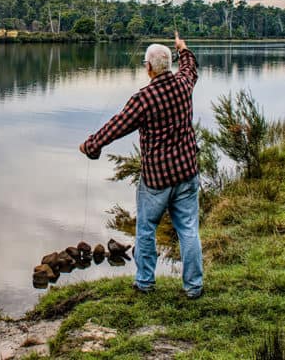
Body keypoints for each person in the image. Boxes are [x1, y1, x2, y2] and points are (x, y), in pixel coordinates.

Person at [79, 32, 203, 298]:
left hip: (157, 180)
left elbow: (117, 126)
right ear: (167, 65)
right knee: (189, 230)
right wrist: (183, 49)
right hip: (186, 174)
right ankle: (193, 287)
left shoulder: (144, 99)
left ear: (148, 68)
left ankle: (145, 282)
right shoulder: (183, 85)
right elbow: (190, 68)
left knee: (146, 230)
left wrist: (92, 146)